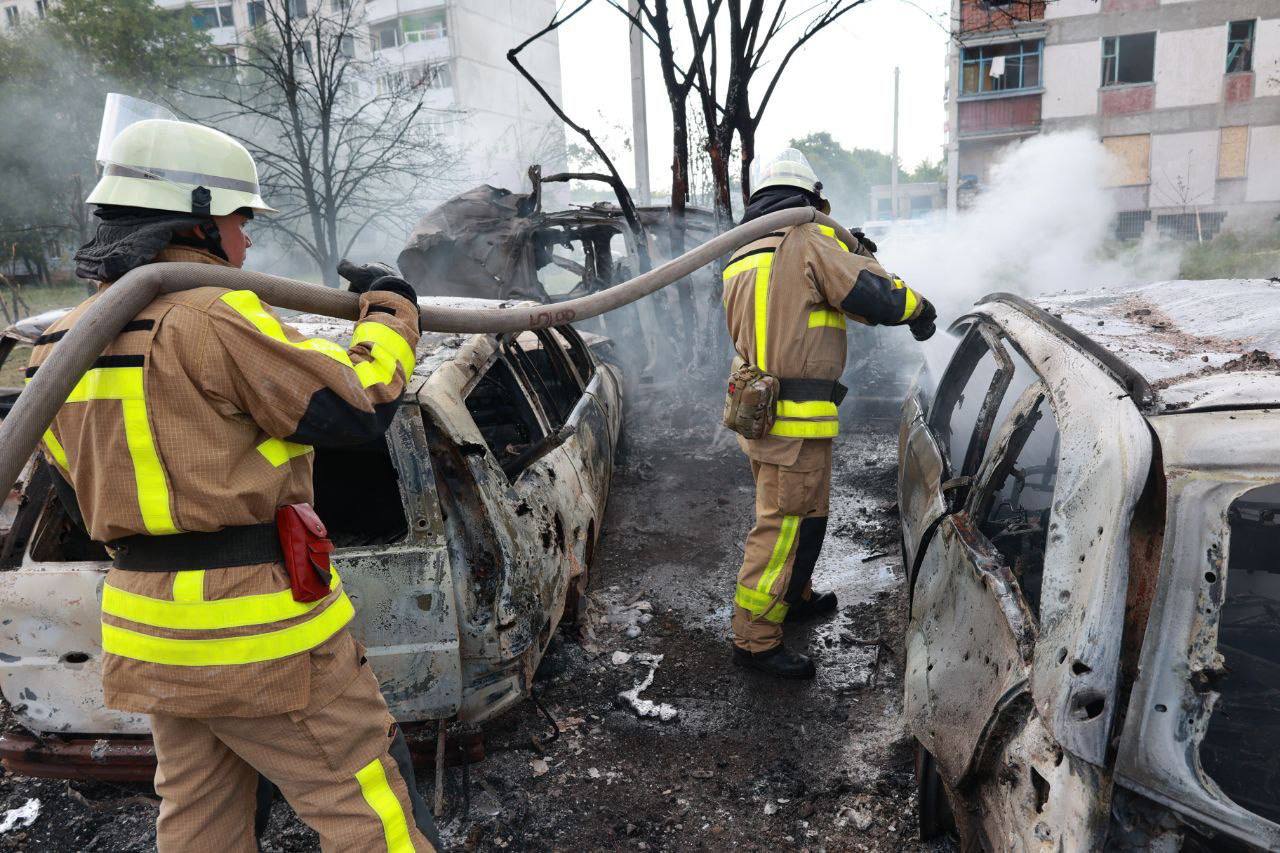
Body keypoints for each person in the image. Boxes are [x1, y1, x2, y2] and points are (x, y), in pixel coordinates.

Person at [29, 116, 439, 851]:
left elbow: (70, 486)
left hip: (151, 635)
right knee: (370, 812)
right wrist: (392, 313)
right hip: (260, 637)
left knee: (199, 821)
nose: (248, 239)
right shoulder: (213, 316)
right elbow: (357, 403)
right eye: (241, 217)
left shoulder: (62, 341)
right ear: (199, 219)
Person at [723, 148, 936, 680]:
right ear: (810, 198)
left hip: (766, 415)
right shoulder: (805, 242)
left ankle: (793, 596)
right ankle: (754, 641)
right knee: (783, 526)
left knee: (804, 515)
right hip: (794, 421)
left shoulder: (744, 251)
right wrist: (920, 308)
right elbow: (874, 297)